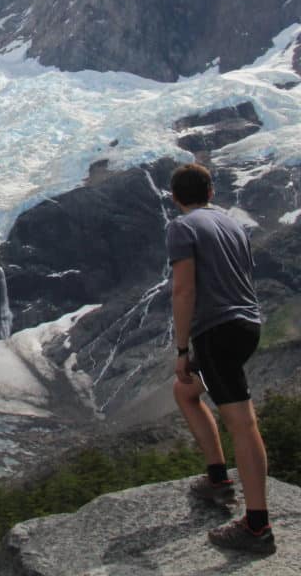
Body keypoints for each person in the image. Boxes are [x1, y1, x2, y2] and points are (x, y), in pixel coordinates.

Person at [167, 162, 275, 555]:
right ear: (211, 192)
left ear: (175, 197)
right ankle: (217, 478)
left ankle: (257, 527)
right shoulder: (234, 225)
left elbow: (183, 289)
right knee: (186, 391)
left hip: (215, 330)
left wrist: (183, 349)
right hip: (247, 326)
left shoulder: (181, 227)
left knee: (242, 424)